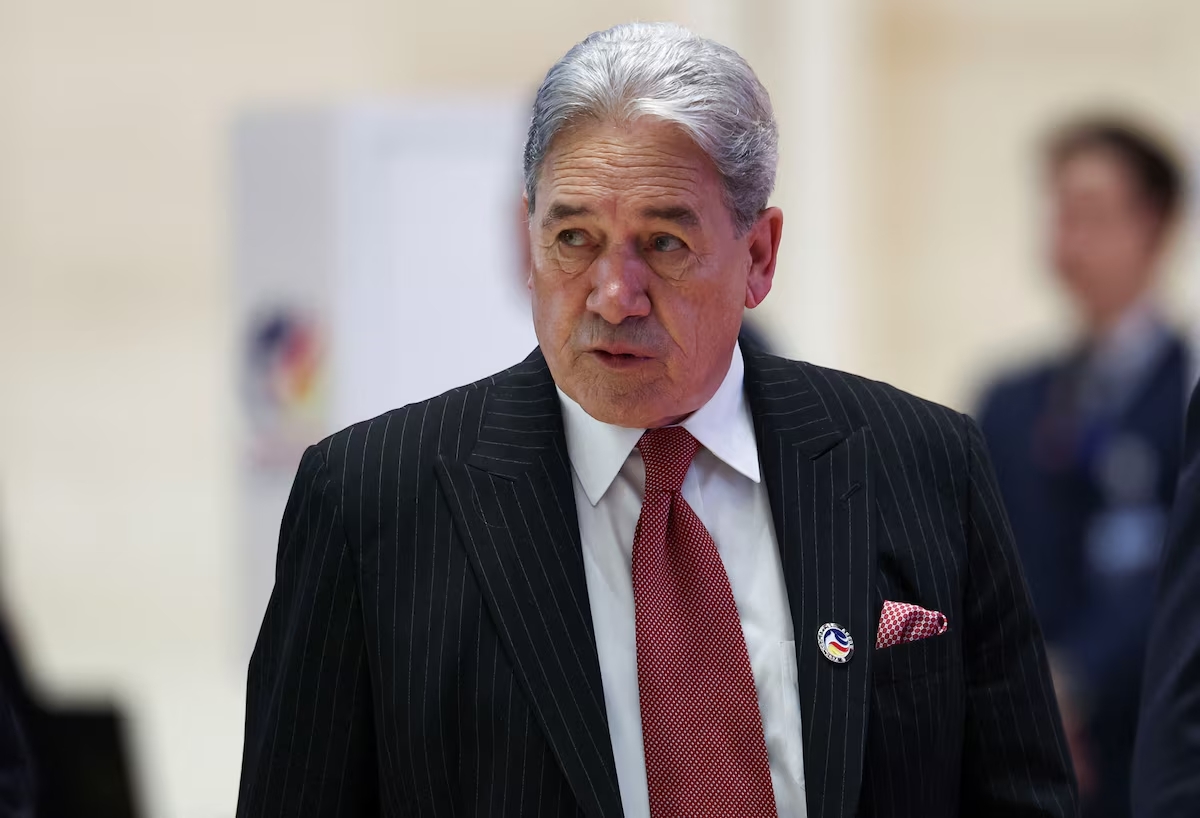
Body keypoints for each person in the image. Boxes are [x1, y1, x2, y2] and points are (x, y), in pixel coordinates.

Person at [237, 22, 1077, 818]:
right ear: (528, 240)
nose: (614, 295)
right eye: (574, 238)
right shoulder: (371, 500)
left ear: (759, 256)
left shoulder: (924, 464)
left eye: (664, 244)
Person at [977, 120, 1189, 818]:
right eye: (1060, 214)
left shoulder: (1183, 395)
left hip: (1158, 747)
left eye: (1092, 215)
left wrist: (1078, 680)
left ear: (1153, 226)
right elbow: (974, 560)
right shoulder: (1011, 402)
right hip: (1030, 748)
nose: (1068, 241)